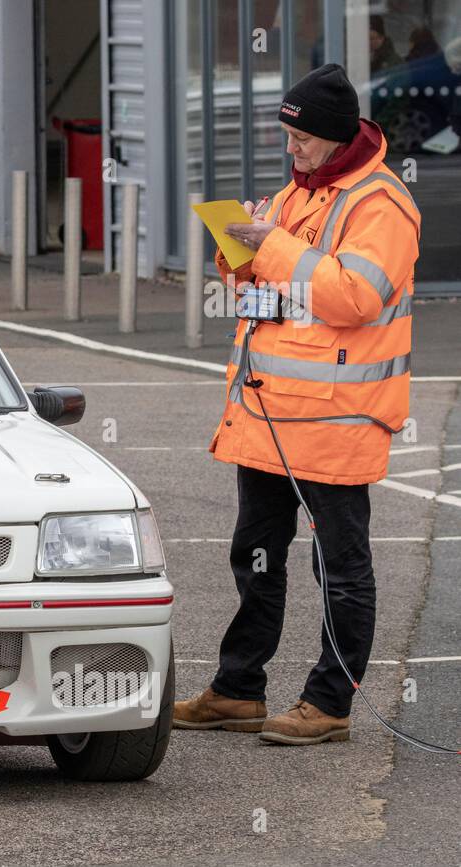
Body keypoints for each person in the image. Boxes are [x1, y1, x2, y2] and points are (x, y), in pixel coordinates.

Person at [174, 63, 420, 745]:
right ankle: (237, 689)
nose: (291, 150)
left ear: (335, 137)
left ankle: (329, 704)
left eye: (300, 138)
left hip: (335, 418)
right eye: (287, 136)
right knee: (254, 553)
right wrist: (240, 250)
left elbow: (351, 297)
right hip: (268, 412)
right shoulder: (298, 194)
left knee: (339, 567)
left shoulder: (382, 203)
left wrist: (273, 245)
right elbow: (269, 298)